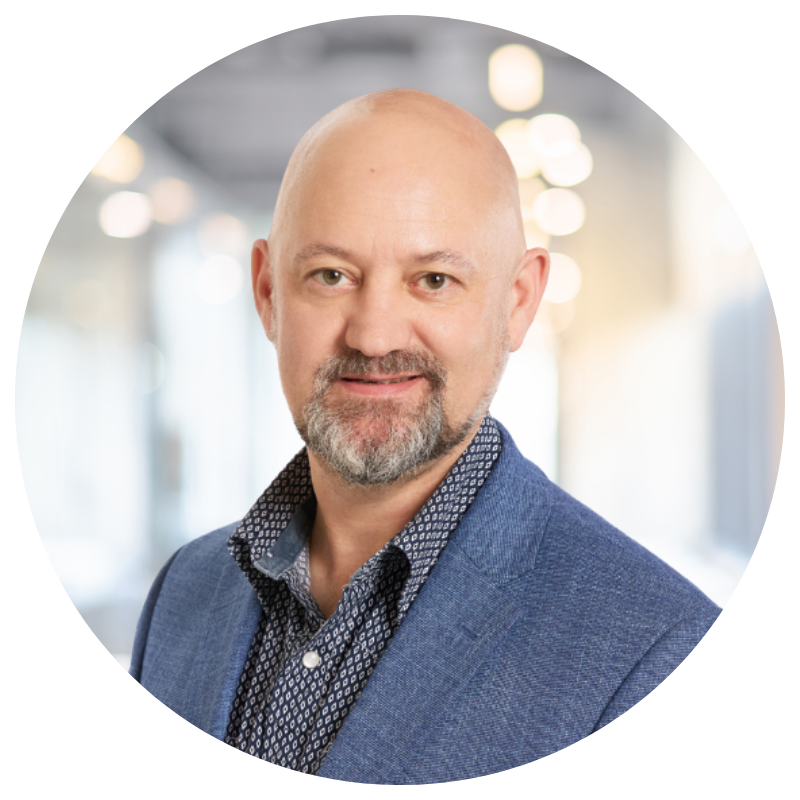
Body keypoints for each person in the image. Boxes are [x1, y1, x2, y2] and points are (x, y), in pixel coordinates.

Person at [130, 88, 722, 785]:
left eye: (434, 280)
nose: (374, 336)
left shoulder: (664, 657)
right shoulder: (181, 593)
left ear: (518, 302)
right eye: (331, 275)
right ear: (267, 294)